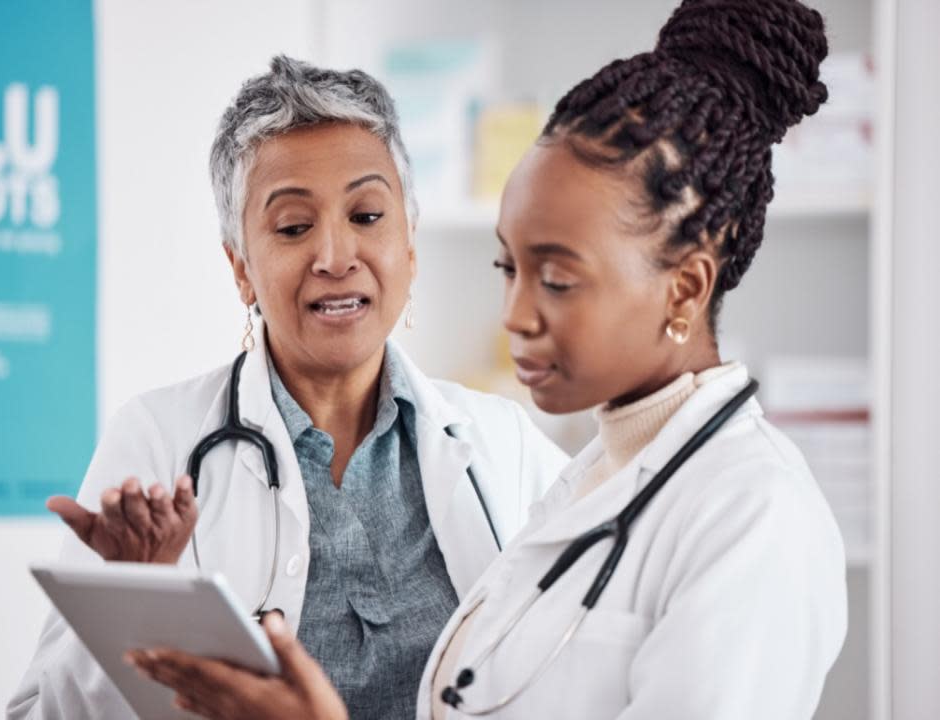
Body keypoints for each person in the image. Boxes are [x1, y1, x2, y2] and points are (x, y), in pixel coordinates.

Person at [127, 0, 848, 718]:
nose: (515, 317)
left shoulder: (755, 514)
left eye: (558, 278)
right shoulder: (593, 477)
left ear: (686, 287)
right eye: (508, 269)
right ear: (240, 265)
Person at [7, 56, 569, 720]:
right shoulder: (161, 441)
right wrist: (138, 602)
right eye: (294, 227)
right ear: (241, 268)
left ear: (409, 245)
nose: (336, 257)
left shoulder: (502, 445)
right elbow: (43, 712)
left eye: (366, 215)